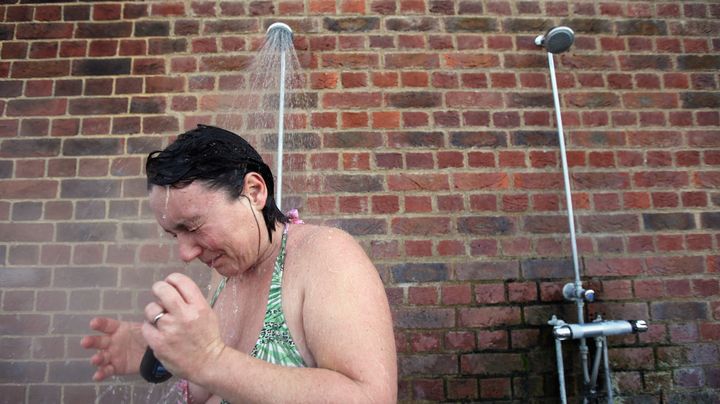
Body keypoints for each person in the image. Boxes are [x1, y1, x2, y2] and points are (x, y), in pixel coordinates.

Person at [81, 125, 397, 403]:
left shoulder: (324, 255)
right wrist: (169, 353)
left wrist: (210, 360)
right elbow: (227, 381)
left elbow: (370, 397)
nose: (185, 254)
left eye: (192, 227)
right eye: (172, 234)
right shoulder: (224, 274)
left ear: (254, 192)